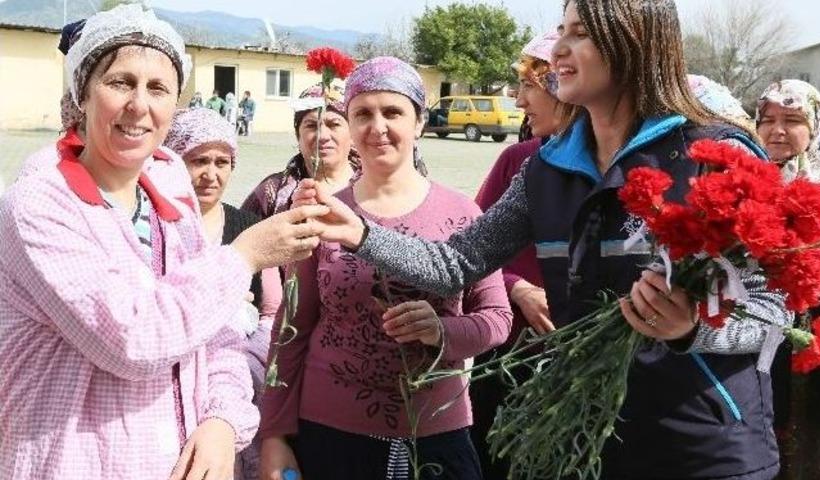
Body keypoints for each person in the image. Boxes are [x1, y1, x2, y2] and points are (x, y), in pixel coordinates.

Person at [292, 1, 793, 478]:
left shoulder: (712, 155)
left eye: (579, 34)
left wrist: (693, 328)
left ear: (634, 41)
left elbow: (777, 309)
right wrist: (361, 234)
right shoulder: (545, 169)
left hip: (703, 448)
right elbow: (454, 263)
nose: (557, 51)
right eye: (562, 31)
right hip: (590, 444)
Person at [0, 5, 328, 479]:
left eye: (158, 89)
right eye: (120, 83)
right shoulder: (41, 204)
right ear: (83, 94)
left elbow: (216, 334)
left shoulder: (168, 195)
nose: (139, 105)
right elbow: (134, 337)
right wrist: (245, 255)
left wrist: (221, 419)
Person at [258, 56, 513, 480]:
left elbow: (497, 319)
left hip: (436, 435)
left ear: (419, 122)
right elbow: (291, 329)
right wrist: (274, 435)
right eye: (362, 114)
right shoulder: (324, 213)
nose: (377, 127)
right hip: (329, 436)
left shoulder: (463, 213)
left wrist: (440, 333)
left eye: (392, 112)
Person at [469, 29, 575, 480]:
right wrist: (519, 289)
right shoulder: (520, 160)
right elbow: (470, 251)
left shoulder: (620, 163)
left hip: (581, 358)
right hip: (512, 351)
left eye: (529, 87)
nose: (518, 101)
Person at [164, 107, 282, 480]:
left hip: (236, 387)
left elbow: (272, 311)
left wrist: (249, 357)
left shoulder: (249, 228)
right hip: (169, 389)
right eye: (197, 160)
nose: (210, 175)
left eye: (222, 162)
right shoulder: (154, 225)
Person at [756, 79, 820, 480]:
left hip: (816, 351)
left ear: (814, 126)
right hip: (751, 352)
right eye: (768, 119)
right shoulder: (737, 181)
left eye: (793, 119)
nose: (777, 130)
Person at [241, 81, 359, 221]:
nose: (323, 136)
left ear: (352, 134)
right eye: (311, 126)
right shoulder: (270, 191)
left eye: (334, 124)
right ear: (298, 136)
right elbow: (242, 240)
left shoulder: (376, 185)